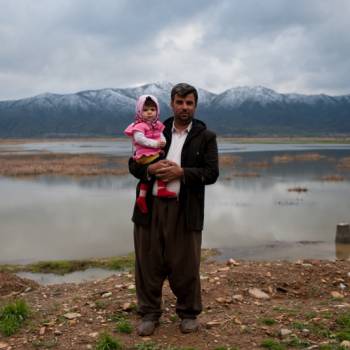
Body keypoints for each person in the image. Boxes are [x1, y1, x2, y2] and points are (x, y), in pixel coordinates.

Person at [128, 83, 219, 336]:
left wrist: (182, 172)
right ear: (172, 103)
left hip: (185, 209)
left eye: (189, 103)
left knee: (186, 263)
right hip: (150, 207)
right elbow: (133, 164)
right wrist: (149, 170)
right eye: (179, 102)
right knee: (148, 261)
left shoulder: (206, 136)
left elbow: (212, 173)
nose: (184, 107)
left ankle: (189, 313)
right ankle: (149, 313)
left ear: (195, 105)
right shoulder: (154, 128)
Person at [124, 95, 176, 214]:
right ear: (139, 111)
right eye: (145, 110)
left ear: (157, 111)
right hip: (144, 155)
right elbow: (139, 139)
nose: (149, 113)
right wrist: (156, 144)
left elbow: (161, 135)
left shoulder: (156, 125)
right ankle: (161, 188)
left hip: (152, 153)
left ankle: (142, 197)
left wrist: (163, 141)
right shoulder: (139, 125)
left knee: (148, 176)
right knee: (161, 165)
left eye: (152, 110)